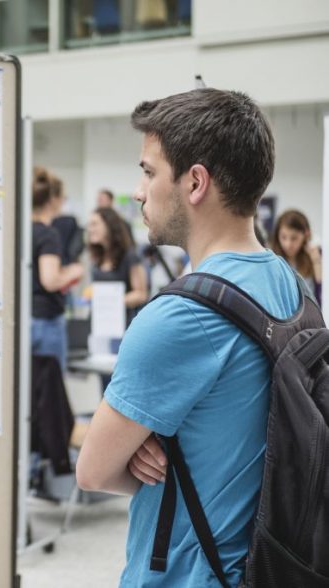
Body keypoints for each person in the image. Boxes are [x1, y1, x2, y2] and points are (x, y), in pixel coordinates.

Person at [76, 88, 297, 587]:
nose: (138, 190)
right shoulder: (291, 286)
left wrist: (137, 445)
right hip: (266, 566)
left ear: (195, 182)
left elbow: (93, 471)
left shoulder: (181, 317)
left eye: (150, 172)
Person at [32, 167, 84, 372]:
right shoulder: (48, 235)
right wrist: (75, 271)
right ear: (53, 199)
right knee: (51, 387)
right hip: (46, 322)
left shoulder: (23, 230)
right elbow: (50, 280)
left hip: (27, 317)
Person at [87, 206, 148, 327]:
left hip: (123, 325)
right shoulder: (97, 257)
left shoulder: (129, 256)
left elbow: (141, 294)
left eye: (95, 224)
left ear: (109, 225)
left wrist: (111, 301)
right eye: (89, 225)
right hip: (100, 324)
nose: (90, 229)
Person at [271, 209, 322, 303]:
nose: (288, 244)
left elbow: (321, 297)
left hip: (312, 314)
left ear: (306, 235)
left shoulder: (316, 256)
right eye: (283, 237)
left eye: (294, 238)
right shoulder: (272, 259)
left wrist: (316, 262)